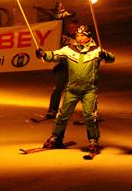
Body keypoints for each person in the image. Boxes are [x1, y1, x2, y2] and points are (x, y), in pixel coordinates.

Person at [36, 25, 115, 153]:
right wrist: (44, 54)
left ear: (89, 37)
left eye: (83, 35)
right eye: (78, 35)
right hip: (72, 89)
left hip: (89, 89)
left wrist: (105, 55)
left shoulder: (96, 50)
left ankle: (93, 140)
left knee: (90, 116)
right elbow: (55, 55)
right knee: (62, 115)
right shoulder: (69, 49)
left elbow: (111, 58)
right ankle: (56, 137)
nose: (79, 38)